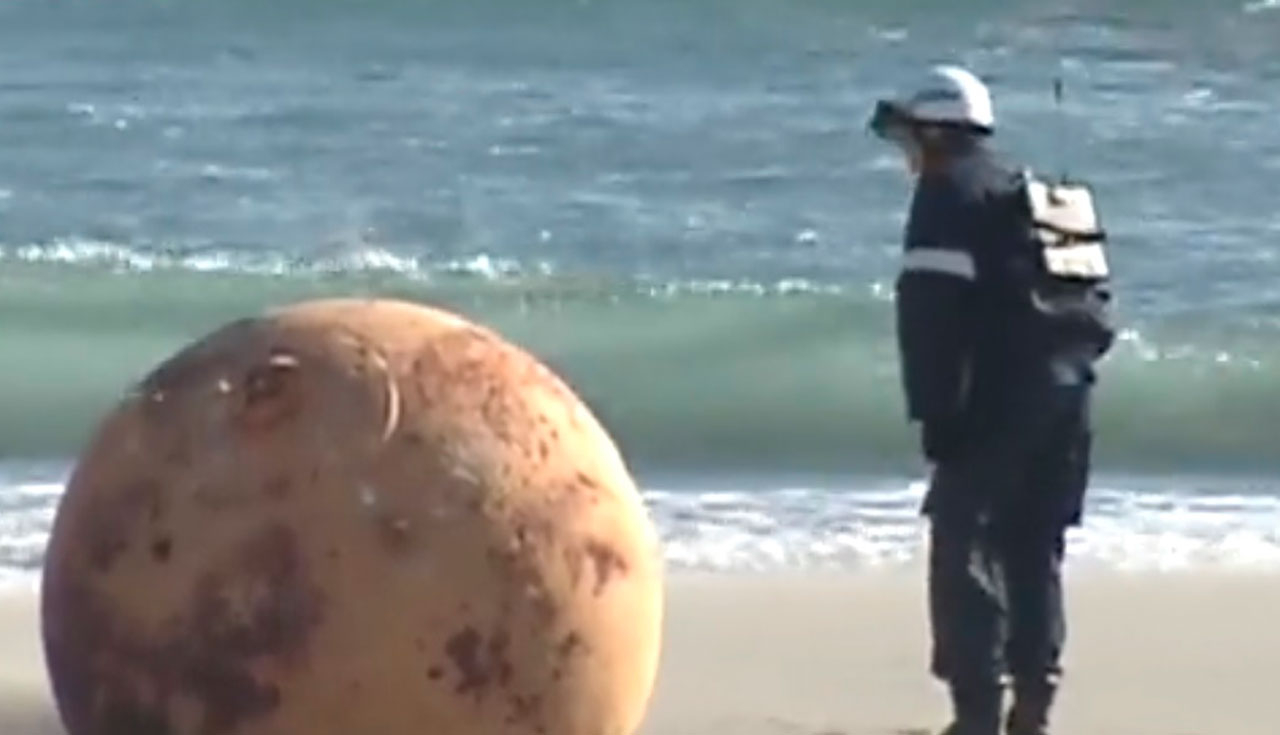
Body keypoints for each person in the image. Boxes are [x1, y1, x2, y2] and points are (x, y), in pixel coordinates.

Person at [866, 65, 1116, 735]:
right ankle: (1032, 708)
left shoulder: (946, 193)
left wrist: (936, 416)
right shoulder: (1027, 192)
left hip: (999, 402)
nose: (909, 156)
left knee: (964, 548)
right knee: (1033, 548)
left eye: (911, 139)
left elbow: (929, 319)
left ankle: (974, 715)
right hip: (1070, 396)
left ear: (938, 133)